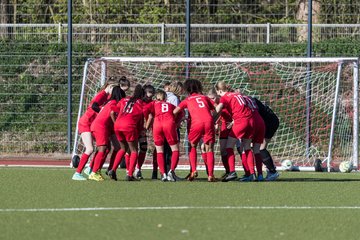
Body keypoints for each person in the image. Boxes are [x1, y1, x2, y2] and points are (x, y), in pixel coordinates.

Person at [71, 79, 118, 181]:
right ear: (109, 87)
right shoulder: (102, 94)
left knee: (105, 147)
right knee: (90, 149)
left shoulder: (108, 97)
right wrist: (102, 110)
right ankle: (77, 173)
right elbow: (94, 106)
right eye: (113, 88)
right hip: (86, 123)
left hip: (93, 123)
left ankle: (90, 169)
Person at [173, 79, 216, 182]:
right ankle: (210, 175)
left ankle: (194, 170)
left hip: (196, 123)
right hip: (208, 121)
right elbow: (216, 107)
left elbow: (175, 111)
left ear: (187, 89)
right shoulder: (205, 97)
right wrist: (213, 118)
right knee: (209, 149)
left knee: (193, 146)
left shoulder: (187, 100)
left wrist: (176, 122)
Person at [214, 81, 255, 182]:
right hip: (251, 121)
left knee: (229, 147)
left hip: (240, 121)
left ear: (219, 91)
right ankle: (252, 173)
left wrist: (210, 119)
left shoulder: (225, 97)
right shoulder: (237, 94)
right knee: (246, 148)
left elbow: (218, 109)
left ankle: (232, 172)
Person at [88, 87, 126, 181]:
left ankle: (97, 170)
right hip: (100, 127)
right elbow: (113, 113)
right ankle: (93, 172)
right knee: (102, 148)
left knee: (107, 148)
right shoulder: (113, 103)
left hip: (99, 126)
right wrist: (117, 123)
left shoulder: (109, 102)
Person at [109, 84, 145, 181]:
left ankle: (113, 169)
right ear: (142, 95)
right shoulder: (141, 103)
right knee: (134, 150)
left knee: (123, 148)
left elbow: (112, 111)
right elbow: (141, 119)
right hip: (129, 126)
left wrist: (115, 122)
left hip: (117, 125)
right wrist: (142, 129)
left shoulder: (124, 99)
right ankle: (129, 174)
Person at [145, 90, 180, 181]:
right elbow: (181, 112)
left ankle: (163, 174)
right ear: (166, 98)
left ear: (156, 97)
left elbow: (144, 109)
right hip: (169, 124)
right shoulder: (170, 105)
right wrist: (176, 122)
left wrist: (148, 120)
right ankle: (171, 171)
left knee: (159, 151)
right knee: (175, 149)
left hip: (157, 125)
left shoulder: (153, 103)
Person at [253, 98, 280, 181]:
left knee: (260, 148)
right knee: (258, 147)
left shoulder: (246, 101)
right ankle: (270, 167)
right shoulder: (250, 99)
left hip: (269, 122)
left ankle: (272, 171)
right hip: (272, 120)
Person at [134, 84, 155, 179]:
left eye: (152, 92)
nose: (151, 95)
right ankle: (130, 170)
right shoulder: (139, 102)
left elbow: (151, 117)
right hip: (134, 129)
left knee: (143, 148)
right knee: (131, 150)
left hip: (142, 130)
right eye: (149, 92)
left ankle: (138, 169)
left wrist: (146, 128)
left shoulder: (152, 103)